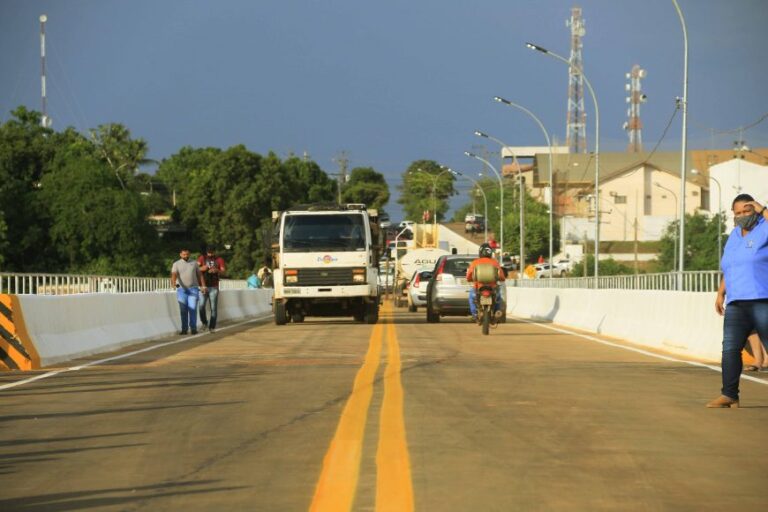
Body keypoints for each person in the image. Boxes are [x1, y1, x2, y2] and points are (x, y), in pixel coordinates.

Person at [707, 194, 768, 408]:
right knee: (730, 349)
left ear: (755, 210)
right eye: (738, 212)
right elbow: (731, 265)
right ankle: (729, 395)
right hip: (736, 302)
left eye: (747, 211)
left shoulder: (764, 228)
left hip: (762, 299)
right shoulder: (734, 235)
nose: (742, 216)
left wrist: (763, 210)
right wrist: (720, 292)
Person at [466, 242, 505, 323]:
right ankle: (497, 311)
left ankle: (475, 314)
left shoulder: (475, 262)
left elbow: (469, 276)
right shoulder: (495, 263)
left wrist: (470, 279)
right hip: (492, 288)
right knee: (498, 297)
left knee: (471, 297)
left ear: (480, 252)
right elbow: (501, 277)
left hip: (478, 287)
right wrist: (500, 279)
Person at [171, 248, 206, 335]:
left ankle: (193, 328)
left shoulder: (194, 263)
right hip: (182, 290)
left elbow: (199, 275)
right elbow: (174, 275)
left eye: (187, 254)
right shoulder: (176, 264)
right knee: (183, 310)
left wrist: (203, 286)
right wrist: (174, 284)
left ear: (189, 254)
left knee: (193, 309)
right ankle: (184, 329)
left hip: (193, 289)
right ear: (180, 254)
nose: (185, 256)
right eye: (184, 254)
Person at [198, 246, 226, 333]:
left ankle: (212, 326)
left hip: (214, 286)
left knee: (213, 308)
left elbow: (223, 271)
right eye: (209, 252)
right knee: (201, 306)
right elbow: (195, 269)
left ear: (214, 252)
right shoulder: (202, 258)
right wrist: (203, 268)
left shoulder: (219, 259)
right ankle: (204, 323)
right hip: (203, 285)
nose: (210, 254)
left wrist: (216, 270)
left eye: (212, 252)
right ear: (206, 252)